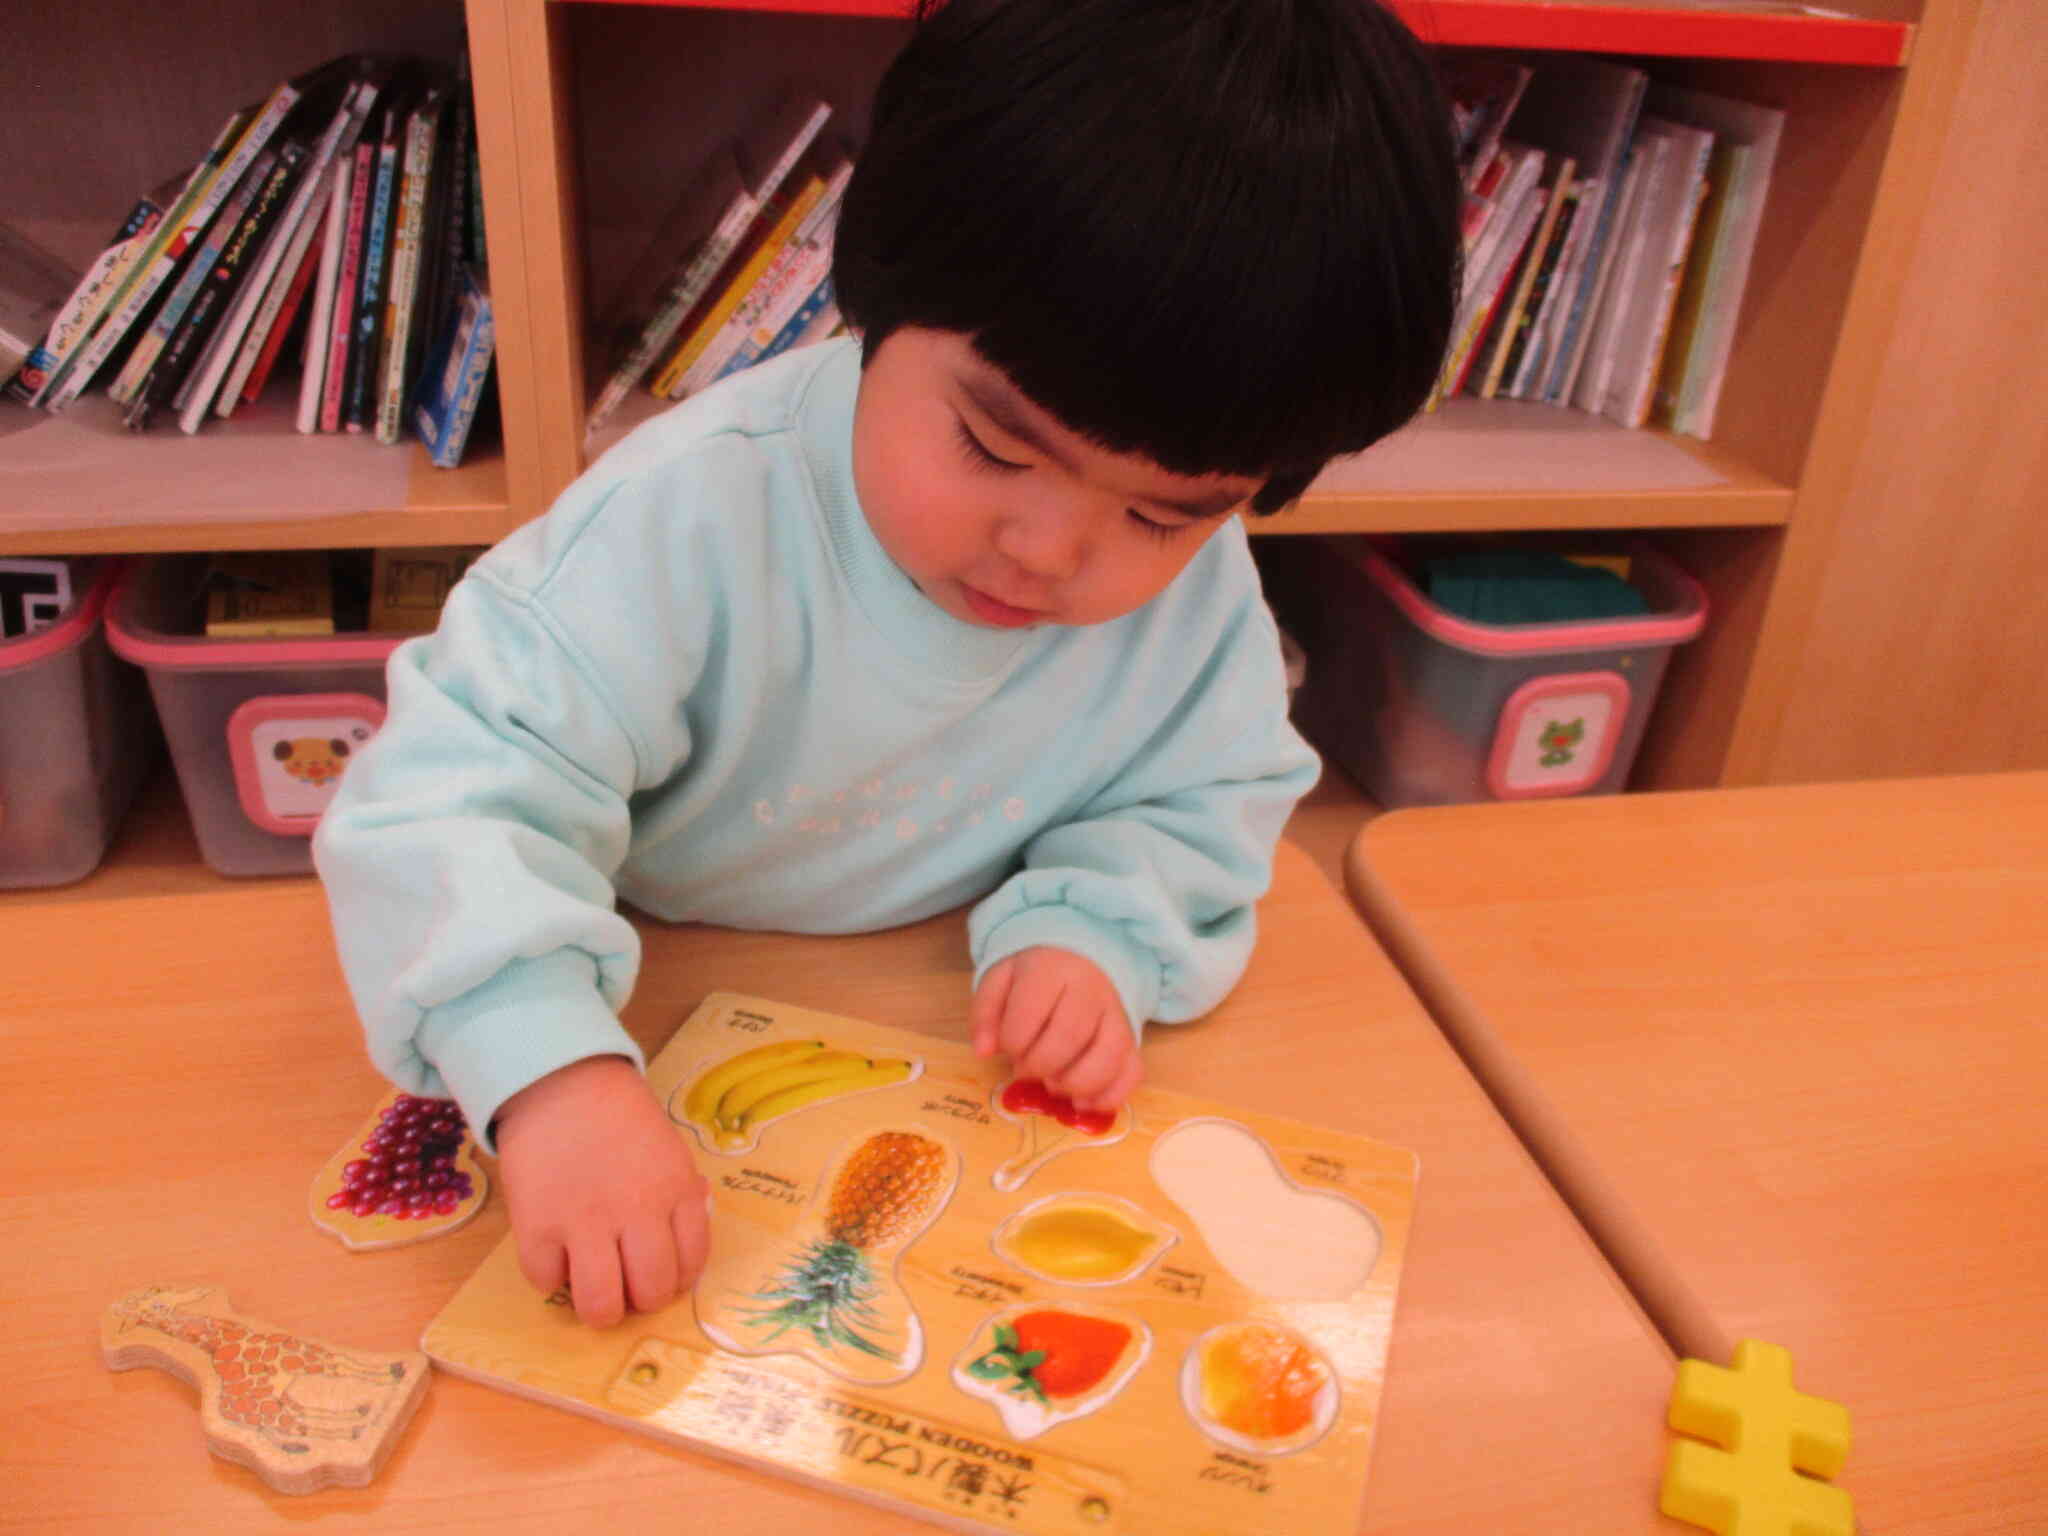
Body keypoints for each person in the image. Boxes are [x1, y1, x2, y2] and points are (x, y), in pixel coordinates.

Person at [314, 0, 1461, 1329]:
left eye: (1162, 513)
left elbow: (1203, 795)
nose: (1049, 551)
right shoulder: (687, 520)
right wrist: (545, 1070)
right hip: (645, 982)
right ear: (871, 289)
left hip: (909, 1020)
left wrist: (1097, 930)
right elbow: (448, 797)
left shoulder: (1194, 594)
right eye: (994, 446)